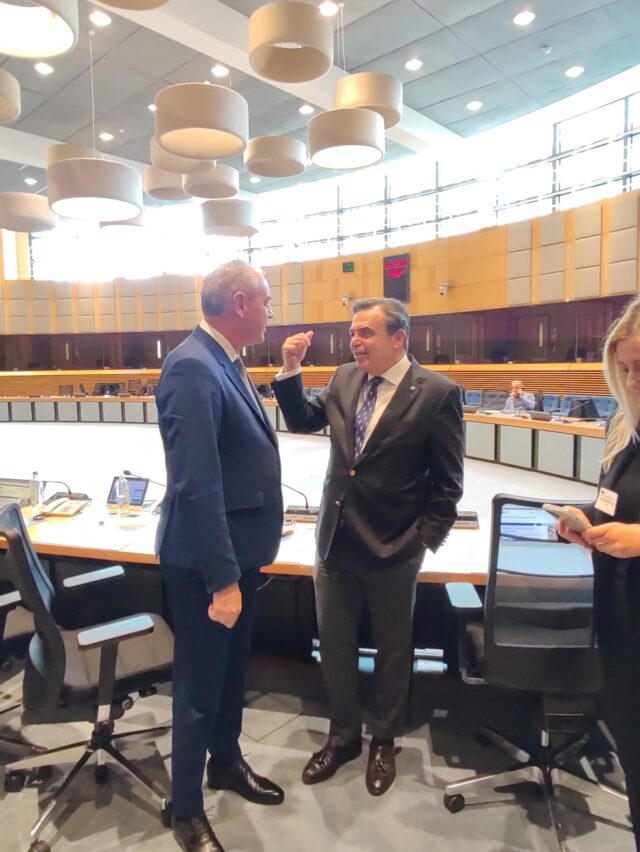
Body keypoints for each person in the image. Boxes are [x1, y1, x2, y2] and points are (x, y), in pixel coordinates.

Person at [273, 297, 464, 796]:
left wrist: (420, 542)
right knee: (334, 647)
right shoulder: (344, 378)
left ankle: (383, 739)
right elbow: (303, 420)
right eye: (353, 333)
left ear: (398, 338)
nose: (354, 342)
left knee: (392, 653)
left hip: (394, 547)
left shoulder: (437, 393)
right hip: (335, 542)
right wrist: (291, 370)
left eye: (366, 333)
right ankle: (342, 738)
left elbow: (448, 485)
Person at [155, 260, 284, 852]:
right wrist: (222, 579)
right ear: (240, 302)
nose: (271, 313)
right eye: (266, 302)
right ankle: (185, 811)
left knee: (230, 677)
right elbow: (197, 484)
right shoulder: (192, 366)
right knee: (200, 690)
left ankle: (226, 763)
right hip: (209, 566)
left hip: (238, 555)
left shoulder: (225, 361)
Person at [557, 294, 640, 850]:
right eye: (625, 368)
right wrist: (584, 520)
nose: (631, 382)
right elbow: (618, 505)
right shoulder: (627, 429)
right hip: (624, 635)